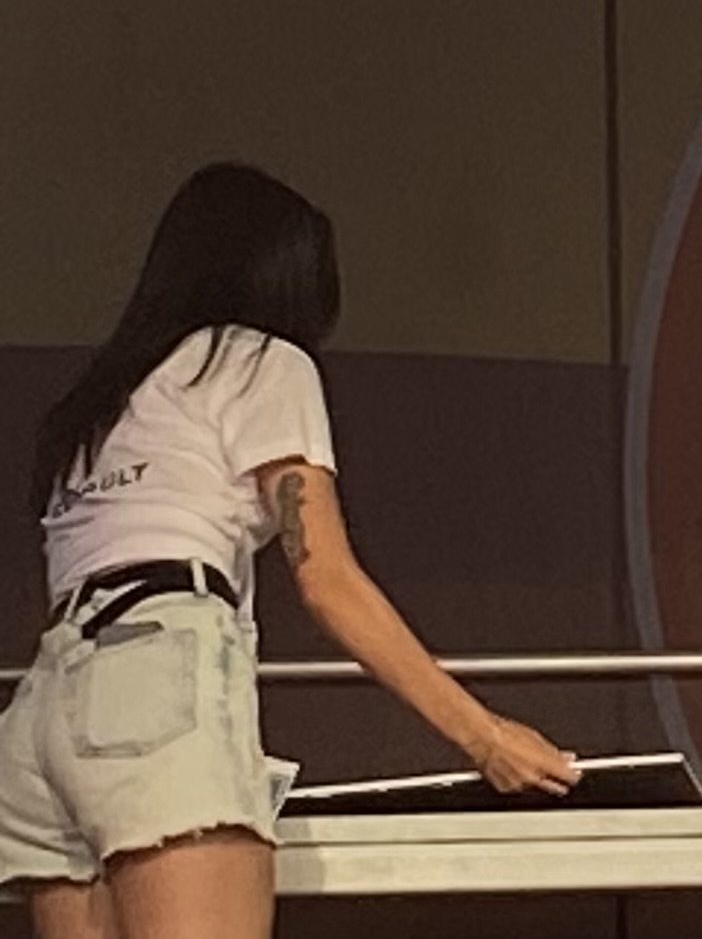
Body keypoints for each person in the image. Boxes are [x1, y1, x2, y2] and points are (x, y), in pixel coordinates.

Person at [4, 164, 579, 939]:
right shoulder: (258, 360)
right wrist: (485, 736)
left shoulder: (96, 407)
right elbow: (327, 580)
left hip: (42, 709)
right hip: (154, 687)